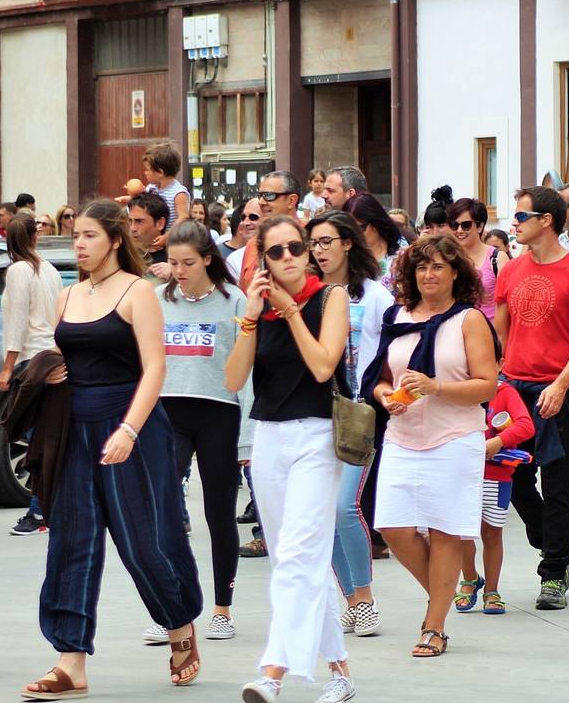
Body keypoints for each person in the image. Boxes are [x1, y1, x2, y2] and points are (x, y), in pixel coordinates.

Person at [21, 199, 202, 699]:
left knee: (145, 541)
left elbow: (155, 369)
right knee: (71, 543)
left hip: (130, 426)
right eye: (75, 236)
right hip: (73, 428)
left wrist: (128, 430)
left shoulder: (137, 291)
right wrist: (52, 371)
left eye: (88, 236)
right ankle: (70, 661)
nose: (78, 244)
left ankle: (179, 625)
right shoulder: (68, 293)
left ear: (115, 241)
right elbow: (66, 355)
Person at [226, 215, 356, 703]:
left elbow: (324, 366)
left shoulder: (331, 298)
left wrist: (293, 311)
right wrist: (253, 314)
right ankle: (340, 671)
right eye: (275, 251)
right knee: (296, 561)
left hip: (319, 437)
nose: (287, 258)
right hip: (270, 440)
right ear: (261, 258)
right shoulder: (256, 308)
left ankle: (272, 672)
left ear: (308, 251)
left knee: (298, 558)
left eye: (295, 248)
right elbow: (235, 379)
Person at [363, 234, 498, 657]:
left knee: (445, 531)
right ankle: (443, 593)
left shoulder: (469, 320)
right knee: (392, 527)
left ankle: (434, 625)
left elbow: (487, 386)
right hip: (403, 437)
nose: (429, 274)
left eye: (438, 266)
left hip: (455, 438)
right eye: (421, 267)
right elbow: (381, 376)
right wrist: (386, 396)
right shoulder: (397, 315)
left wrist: (436, 386)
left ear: (456, 272)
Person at [495, 186, 569, 610]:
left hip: (557, 389)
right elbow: (501, 329)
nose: (514, 224)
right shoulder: (510, 271)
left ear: (546, 221)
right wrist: (503, 377)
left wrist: (560, 385)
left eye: (521, 217)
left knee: (556, 484)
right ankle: (549, 541)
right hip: (515, 390)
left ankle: (554, 573)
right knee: (515, 477)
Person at [146, 220, 248, 645]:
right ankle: (171, 608)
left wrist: (249, 437)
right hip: (169, 411)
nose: (180, 270)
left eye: (188, 262)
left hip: (219, 412)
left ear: (209, 258)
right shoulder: (156, 299)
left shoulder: (235, 301)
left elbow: (248, 373)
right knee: (163, 511)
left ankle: (222, 609)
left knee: (219, 512)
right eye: (173, 262)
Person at [307, 210, 393, 639]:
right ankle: (353, 602)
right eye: (314, 243)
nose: (319, 250)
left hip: (359, 413)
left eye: (326, 241)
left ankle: (366, 599)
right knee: (324, 513)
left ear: (347, 243)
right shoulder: (309, 293)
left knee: (344, 506)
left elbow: (392, 351)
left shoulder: (374, 295)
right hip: (313, 414)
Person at [0, 211, 64, 538]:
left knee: (33, 437)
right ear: (34, 236)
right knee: (46, 437)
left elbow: (17, 321)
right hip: (52, 356)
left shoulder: (18, 271)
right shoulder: (50, 270)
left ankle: (39, 509)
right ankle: (44, 507)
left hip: (31, 361)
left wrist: (8, 367)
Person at [455, 381, 534, 616]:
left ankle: (492, 590)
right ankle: (469, 578)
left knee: (492, 532)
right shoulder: (454, 387)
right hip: (460, 472)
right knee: (462, 532)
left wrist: (499, 441)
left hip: (496, 474)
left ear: (500, 362)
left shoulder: (504, 392)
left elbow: (526, 425)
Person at [234, 171, 303, 295]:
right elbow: (245, 291)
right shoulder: (253, 244)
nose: (261, 202)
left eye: (269, 195)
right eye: (260, 195)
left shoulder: (313, 236)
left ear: (291, 201)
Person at [448, 196, 507, 320]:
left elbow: (506, 304)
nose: (459, 230)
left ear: (480, 227)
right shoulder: (447, 258)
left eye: (466, 225)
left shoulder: (497, 258)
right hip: (456, 332)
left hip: (490, 333)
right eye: (454, 225)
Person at [344, 191, 405, 294]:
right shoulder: (347, 259)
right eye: (348, 230)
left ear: (375, 223)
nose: (354, 234)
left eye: (359, 228)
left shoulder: (402, 259)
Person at [143, 142, 191, 226]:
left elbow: (183, 217)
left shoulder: (178, 193)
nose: (145, 173)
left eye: (148, 170)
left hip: (172, 237)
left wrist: (167, 236)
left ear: (160, 172)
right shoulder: (151, 188)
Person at [129, 191, 173, 281]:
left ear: (160, 223)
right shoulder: (123, 254)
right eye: (130, 221)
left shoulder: (176, 256)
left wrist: (174, 275)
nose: (132, 228)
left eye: (139, 221)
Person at [222, 199, 262, 280]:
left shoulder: (282, 251)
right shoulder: (234, 259)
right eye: (243, 218)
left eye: (253, 217)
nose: (246, 222)